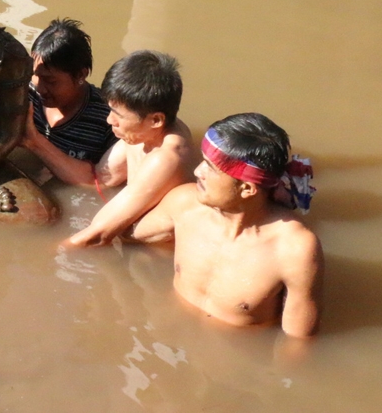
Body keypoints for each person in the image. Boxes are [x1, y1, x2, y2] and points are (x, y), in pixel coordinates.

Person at [131, 113, 322, 338]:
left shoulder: (294, 249)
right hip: (172, 339)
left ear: (247, 189)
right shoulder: (184, 204)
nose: (197, 171)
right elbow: (129, 237)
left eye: (210, 167)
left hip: (237, 362)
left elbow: (297, 342)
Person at [62, 51, 193, 248]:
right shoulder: (142, 131)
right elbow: (102, 178)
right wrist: (35, 140)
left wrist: (56, 253)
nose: (108, 120)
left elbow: (99, 235)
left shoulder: (166, 157)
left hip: (156, 258)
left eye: (118, 115)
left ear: (156, 120)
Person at [0, 19, 117, 186]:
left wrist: (33, 141)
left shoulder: (109, 119)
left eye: (50, 81)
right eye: (35, 75)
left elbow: (99, 182)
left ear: (81, 75)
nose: (40, 88)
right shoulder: (20, 91)